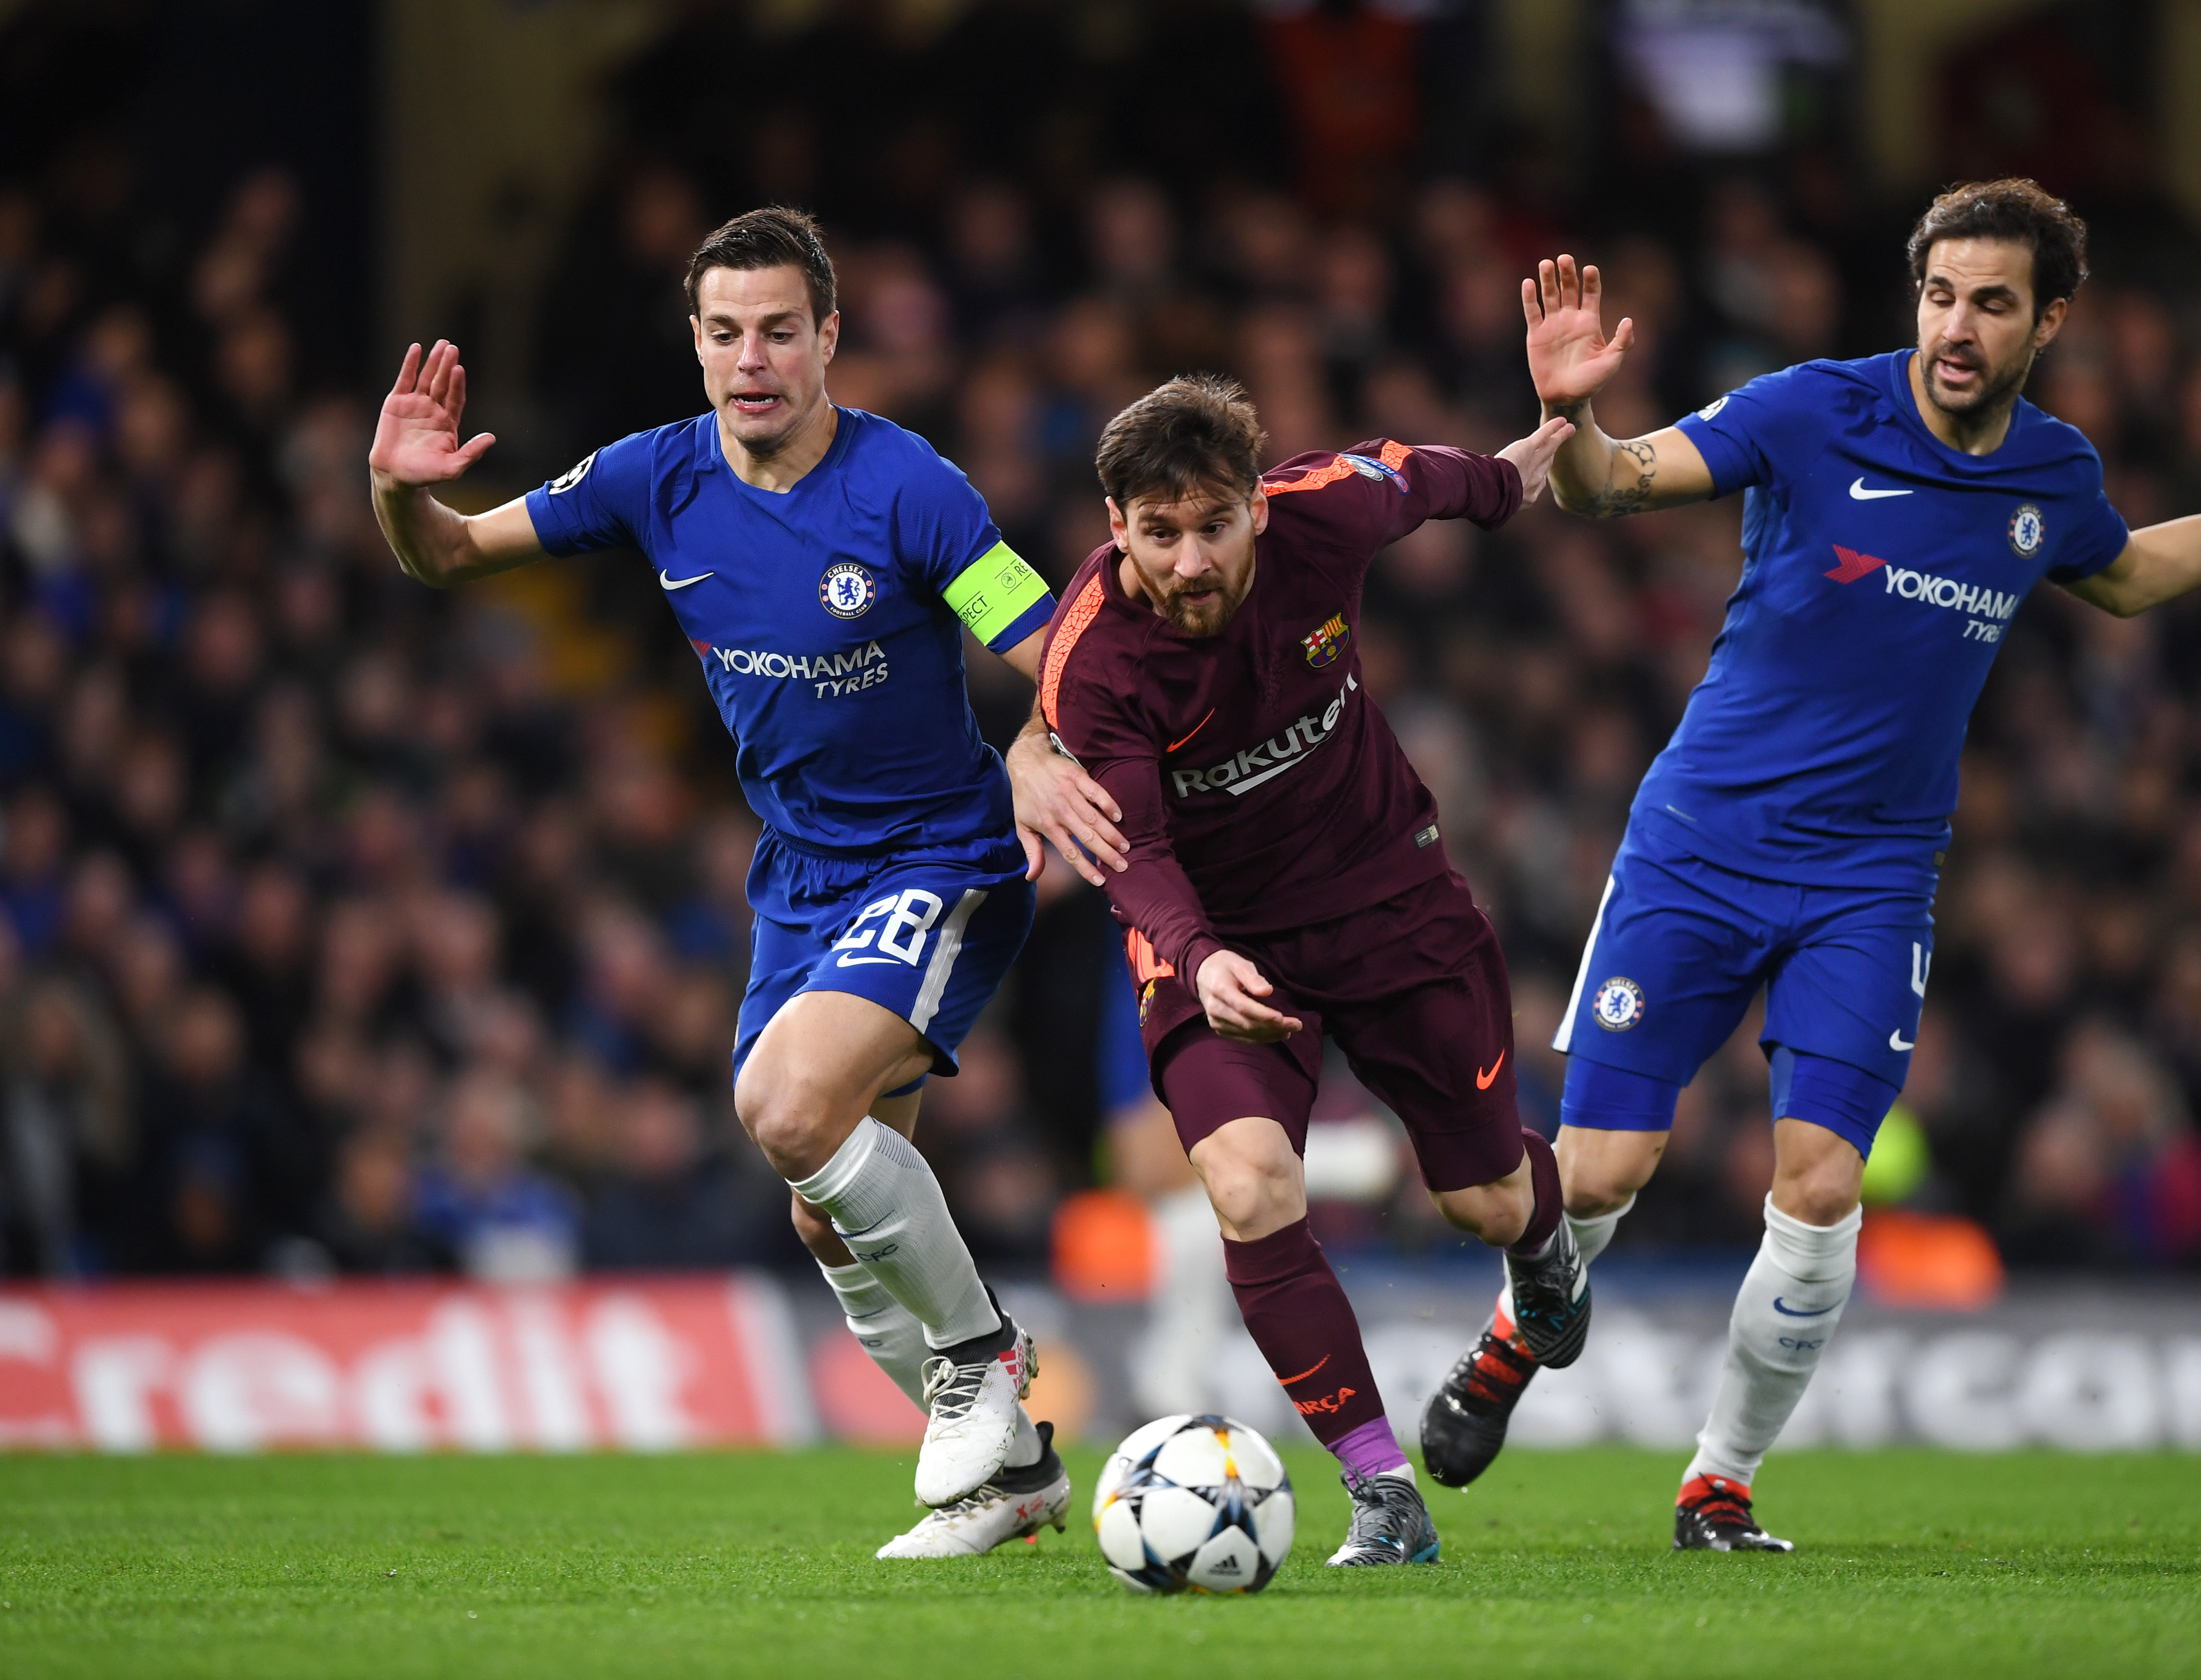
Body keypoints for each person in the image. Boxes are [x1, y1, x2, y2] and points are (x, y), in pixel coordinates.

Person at [1418, 179, 2201, 1550]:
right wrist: (1572, 421)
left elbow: (2133, 575)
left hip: (1871, 881)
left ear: (2049, 321)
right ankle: (1520, 1333)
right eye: (1939, 296)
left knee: (1819, 1187)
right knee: (1606, 1170)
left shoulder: (2053, 475)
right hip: (1700, 846)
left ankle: (1719, 1484)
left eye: (1991, 303)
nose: (1957, 327)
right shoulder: (1811, 411)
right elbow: (1617, 486)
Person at [366, 206, 1128, 1558]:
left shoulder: (908, 487)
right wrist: (396, 493)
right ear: (697, 343)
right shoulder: (653, 478)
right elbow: (450, 554)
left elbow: (1067, 647)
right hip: (801, 881)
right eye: (725, 333)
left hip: (941, 856)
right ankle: (1013, 1474)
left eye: (779, 330)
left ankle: (983, 1360)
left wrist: (1032, 744)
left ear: (829, 336)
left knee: (784, 1106)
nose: (752, 359)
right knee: (824, 1207)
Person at [1032, 374, 1584, 1566]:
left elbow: (1421, 479)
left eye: (1213, 526)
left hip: (1387, 898)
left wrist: (1507, 480)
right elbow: (1134, 850)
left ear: (1258, 508)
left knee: (1484, 1199)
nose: (1189, 562)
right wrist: (1197, 958)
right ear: (1116, 525)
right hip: (1219, 941)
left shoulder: (1324, 510)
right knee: (1246, 1188)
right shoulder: (1092, 663)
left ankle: (1543, 1250)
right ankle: (1382, 1492)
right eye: (1158, 533)